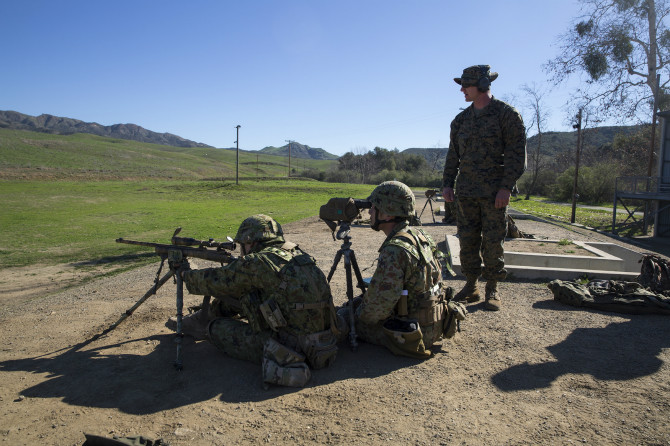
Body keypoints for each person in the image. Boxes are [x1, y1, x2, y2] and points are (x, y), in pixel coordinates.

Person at [166, 214, 339, 387]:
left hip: (291, 349)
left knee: (216, 328)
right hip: (324, 342)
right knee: (246, 291)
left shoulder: (259, 262)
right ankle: (204, 315)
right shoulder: (298, 254)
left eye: (243, 244)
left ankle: (202, 322)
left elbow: (218, 279)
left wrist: (184, 273)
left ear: (251, 242)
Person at [337, 181, 465, 358]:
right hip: (435, 324)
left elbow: (375, 311)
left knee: (342, 316)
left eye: (374, 207)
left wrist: (354, 314)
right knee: (360, 302)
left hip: (413, 331)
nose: (369, 212)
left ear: (387, 214)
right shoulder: (420, 235)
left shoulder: (395, 250)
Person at [442, 65, 527, 311]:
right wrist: (447, 183)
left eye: (466, 85)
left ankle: (492, 287)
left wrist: (506, 187)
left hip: (494, 193)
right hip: (466, 191)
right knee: (467, 239)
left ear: (481, 84)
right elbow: (453, 155)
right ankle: (471, 285)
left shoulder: (506, 115)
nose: (461, 90)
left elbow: (515, 155)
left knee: (492, 240)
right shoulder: (461, 120)